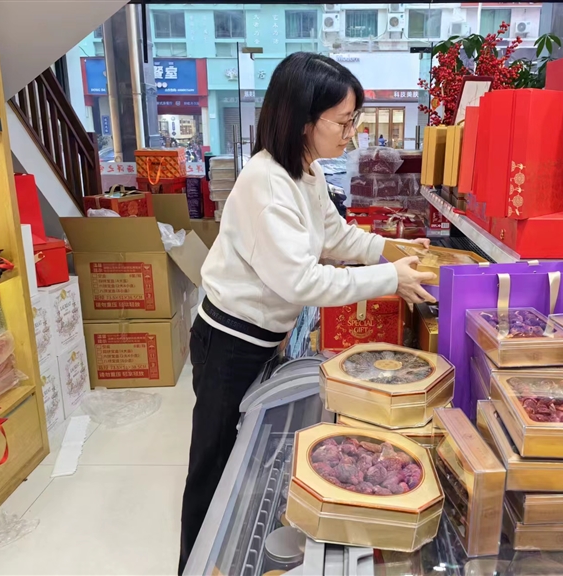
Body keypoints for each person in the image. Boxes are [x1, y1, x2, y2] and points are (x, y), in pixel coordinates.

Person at [178, 52, 435, 574]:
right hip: (228, 341)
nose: (351, 134)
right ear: (303, 119)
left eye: (353, 120)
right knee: (213, 465)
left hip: (261, 335)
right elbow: (302, 281)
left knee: (241, 457)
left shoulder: (306, 171)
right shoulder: (265, 183)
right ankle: (194, 565)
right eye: (343, 122)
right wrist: (389, 278)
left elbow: (334, 235)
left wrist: (391, 250)